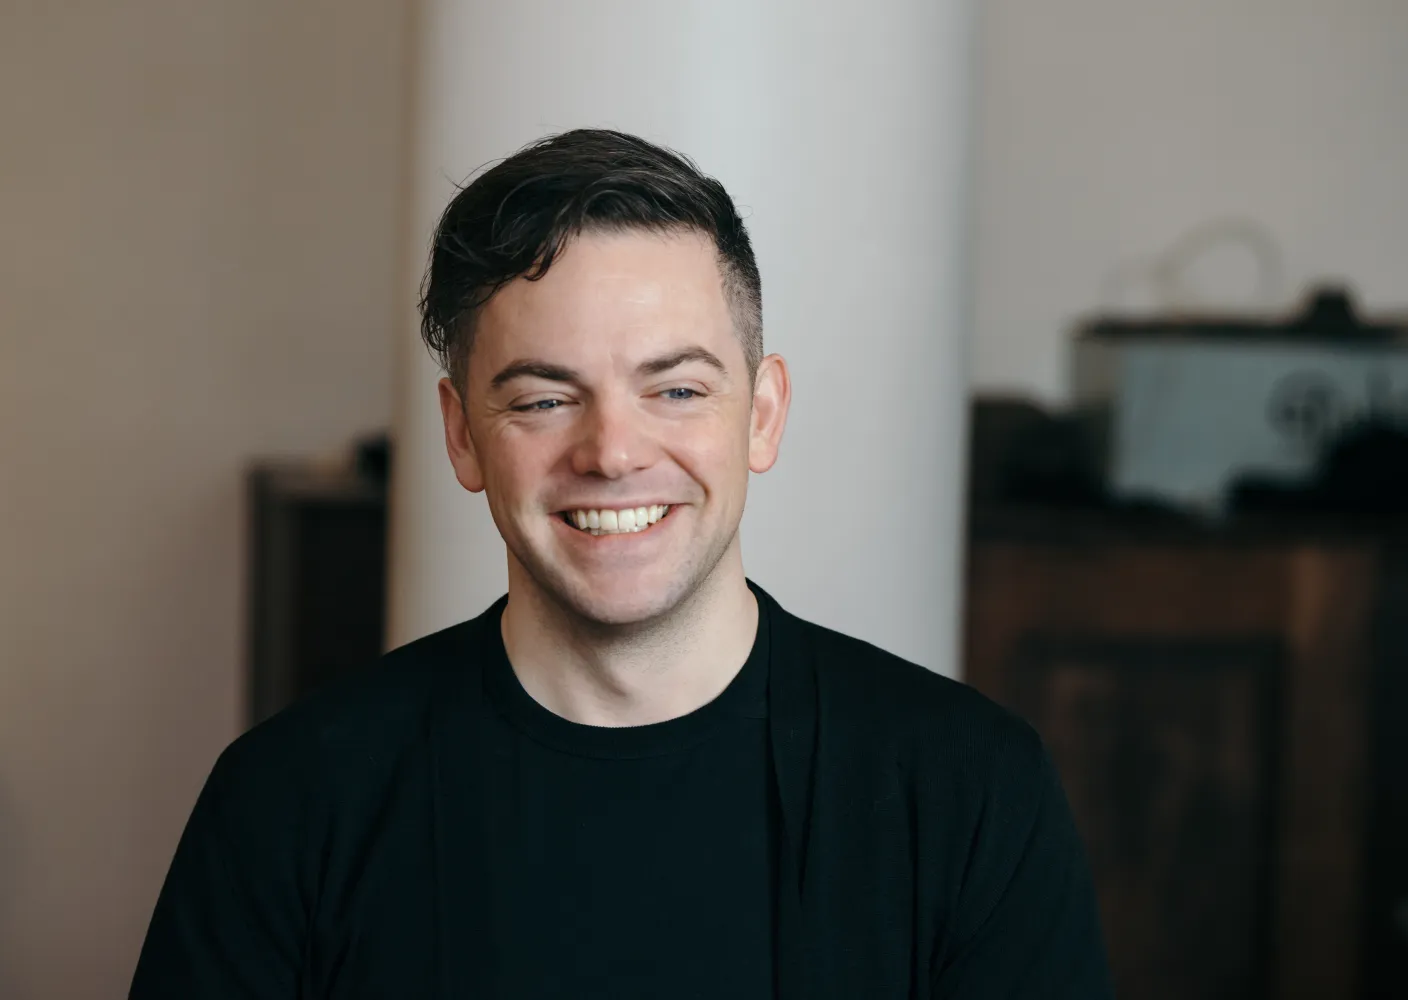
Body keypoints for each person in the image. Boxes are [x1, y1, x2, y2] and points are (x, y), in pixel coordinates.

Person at [130, 129, 1112, 998]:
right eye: (544, 399)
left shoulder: (971, 791)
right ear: (461, 437)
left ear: (762, 414)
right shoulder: (289, 803)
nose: (612, 450)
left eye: (676, 389)